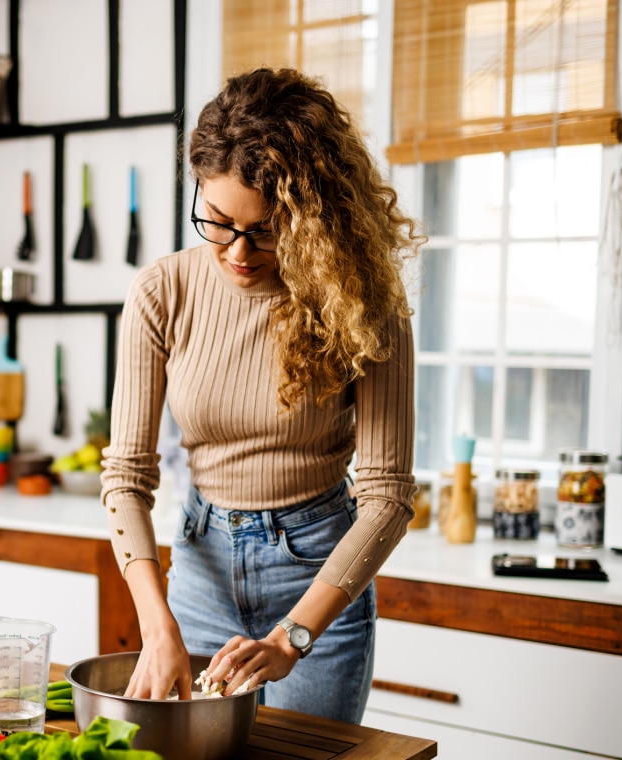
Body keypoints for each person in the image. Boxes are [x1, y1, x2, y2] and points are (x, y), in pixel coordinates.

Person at [100, 67, 421, 724]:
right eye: (217, 223)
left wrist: (291, 639)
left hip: (317, 579)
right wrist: (157, 625)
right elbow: (125, 478)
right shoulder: (164, 291)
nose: (239, 253)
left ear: (313, 218)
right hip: (198, 573)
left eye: (267, 230)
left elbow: (387, 501)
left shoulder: (364, 303)